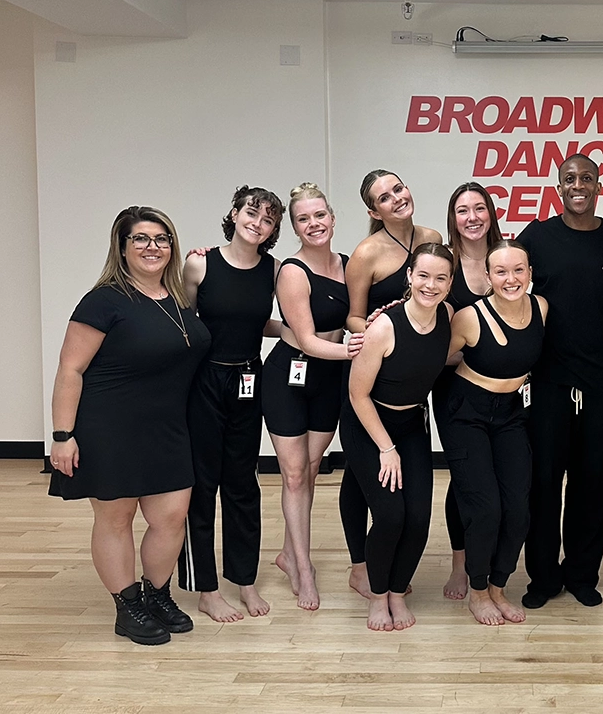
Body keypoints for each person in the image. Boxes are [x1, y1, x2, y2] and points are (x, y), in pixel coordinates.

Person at [49, 206, 210, 645]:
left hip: (169, 426)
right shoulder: (103, 300)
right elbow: (69, 370)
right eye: (140, 238)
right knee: (116, 518)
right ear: (122, 248)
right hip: (109, 426)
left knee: (171, 517)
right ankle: (127, 605)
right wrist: (62, 436)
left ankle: (156, 594)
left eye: (161, 238)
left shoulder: (178, 298)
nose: (152, 247)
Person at [517, 153, 603, 609]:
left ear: (598, 186)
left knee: (591, 481)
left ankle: (582, 574)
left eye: (586, 178)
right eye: (569, 178)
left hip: (601, 379)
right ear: (558, 187)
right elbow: (509, 289)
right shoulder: (537, 237)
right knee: (544, 481)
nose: (578, 185)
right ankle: (543, 579)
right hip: (547, 378)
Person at [179, 186, 283, 622]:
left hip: (247, 379)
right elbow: (182, 323)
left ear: (273, 229)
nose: (256, 223)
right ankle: (206, 587)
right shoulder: (200, 263)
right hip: (204, 381)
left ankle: (244, 580)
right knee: (203, 485)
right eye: (250, 213)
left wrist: (308, 337)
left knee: (242, 485)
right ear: (234, 214)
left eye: (267, 219)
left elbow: (265, 322)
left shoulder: (273, 270)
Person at [340, 243, 454, 631]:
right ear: (409, 276)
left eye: (440, 278)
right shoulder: (384, 326)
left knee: (419, 519)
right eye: (423, 275)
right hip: (368, 424)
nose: (431, 285)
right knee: (390, 516)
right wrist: (386, 448)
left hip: (411, 426)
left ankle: (396, 590)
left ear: (450, 283)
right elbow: (358, 394)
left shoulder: (449, 317)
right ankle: (376, 594)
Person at [444, 240, 547, 625]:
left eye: (518, 270)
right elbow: (434, 357)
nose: (510, 278)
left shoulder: (541, 308)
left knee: (518, 509)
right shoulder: (469, 317)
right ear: (487, 277)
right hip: (466, 414)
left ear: (530, 273)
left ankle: (500, 588)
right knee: (485, 508)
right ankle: (478, 590)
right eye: (501, 271)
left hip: (511, 414)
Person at [261, 182, 354, 611]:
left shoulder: (348, 264)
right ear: (294, 227)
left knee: (312, 470)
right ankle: (304, 568)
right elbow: (306, 340)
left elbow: (353, 317)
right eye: (303, 218)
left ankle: (286, 553)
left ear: (332, 219)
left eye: (320, 215)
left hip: (327, 381)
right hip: (289, 378)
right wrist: (356, 348)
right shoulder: (293, 271)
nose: (314, 224)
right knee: (294, 475)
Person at [436, 182, 503, 601]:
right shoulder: (443, 261)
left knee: (497, 479)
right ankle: (461, 564)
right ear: (453, 218)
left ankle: (492, 562)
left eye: (479, 208)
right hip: (453, 389)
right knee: (465, 478)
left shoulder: (507, 259)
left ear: (492, 214)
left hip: (506, 393)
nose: (472, 217)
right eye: (463, 211)